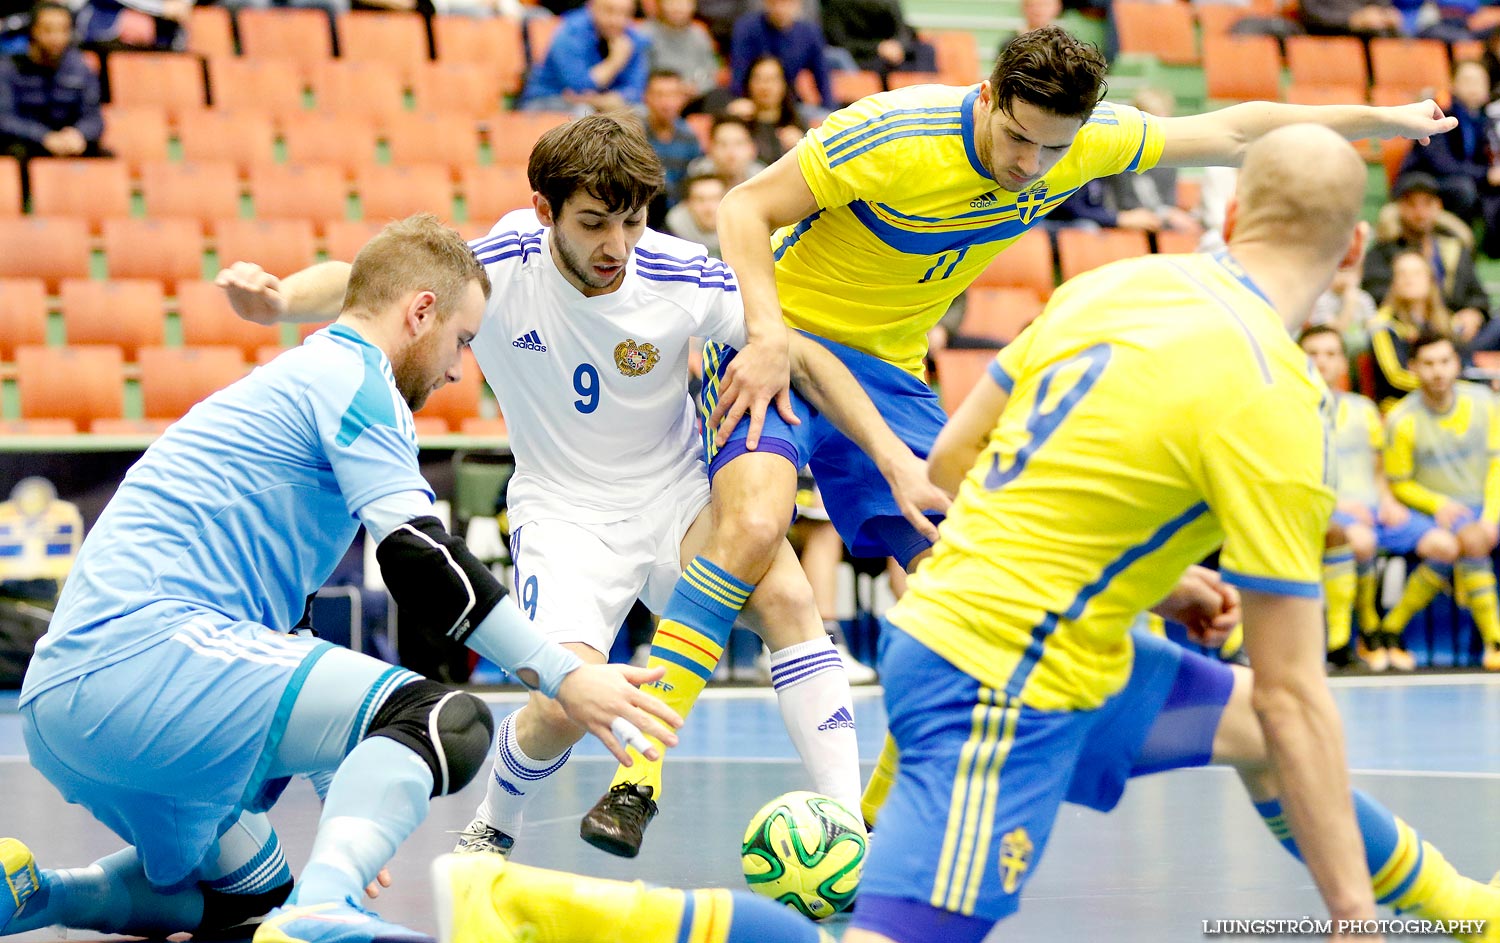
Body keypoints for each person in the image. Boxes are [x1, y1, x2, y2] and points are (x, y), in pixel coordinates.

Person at [425, 126, 1500, 943]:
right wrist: (1350, 916)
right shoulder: (1282, 399)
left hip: (1030, 637)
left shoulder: (1116, 287)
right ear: (1355, 245)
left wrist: (1153, 577)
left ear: (1228, 220)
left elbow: (953, 467)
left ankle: (1468, 910)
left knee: (1252, 739)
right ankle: (531, 903)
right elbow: (1300, 689)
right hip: (1005, 682)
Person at [683, 23, 1454, 828]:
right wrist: (768, 333)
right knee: (755, 530)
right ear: (988, 96)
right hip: (777, 332)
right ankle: (641, 773)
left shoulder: (1086, 143)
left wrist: (1384, 121)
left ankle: (876, 811)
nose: (1029, 166)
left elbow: (1236, 130)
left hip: (888, 368)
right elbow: (744, 205)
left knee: (952, 562)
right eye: (1017, 137)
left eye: (1053, 150)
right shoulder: (894, 133)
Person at [219, 114, 942, 862]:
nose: (616, 247)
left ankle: (846, 831)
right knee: (563, 706)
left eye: (631, 221)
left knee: (792, 601)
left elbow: (801, 355)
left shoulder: (678, 272)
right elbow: (372, 282)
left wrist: (892, 457)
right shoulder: (498, 265)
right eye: (594, 223)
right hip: (564, 515)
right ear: (545, 211)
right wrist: (279, 302)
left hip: (674, 496)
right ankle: (494, 823)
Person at [0, 215, 683, 943]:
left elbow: (285, 640)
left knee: (247, 900)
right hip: (145, 664)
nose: (458, 368)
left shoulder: (297, 379)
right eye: (461, 340)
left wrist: (343, 792)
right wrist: (563, 675)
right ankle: (324, 907)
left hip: (68, 702)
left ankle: (39, 895)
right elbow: (421, 556)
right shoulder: (357, 380)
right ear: (421, 311)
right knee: (436, 719)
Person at [1379, 329, 1500, 672]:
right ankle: (1495, 642)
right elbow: (1399, 484)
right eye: (1428, 363)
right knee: (1464, 543)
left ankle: (1390, 629)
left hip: (1487, 503)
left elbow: (1497, 466)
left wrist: (1490, 517)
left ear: (1457, 363)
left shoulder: (1484, 403)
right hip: (1439, 512)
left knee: (1477, 535)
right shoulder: (1402, 419)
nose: (1438, 371)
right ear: (1414, 367)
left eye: (1445, 361)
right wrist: (1438, 505)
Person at [1300, 324, 1412, 671]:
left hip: (1373, 508)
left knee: (1442, 543)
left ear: (1342, 362)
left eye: (1331, 354)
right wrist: (1340, 506)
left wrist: (1389, 500)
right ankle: (1358, 632)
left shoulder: (1364, 408)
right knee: (1361, 542)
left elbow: (1378, 470)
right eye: (1313, 354)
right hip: (1330, 512)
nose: (1322, 362)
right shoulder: (1291, 409)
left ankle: (1383, 629)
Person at [0, 1, 102, 167]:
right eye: (48, 30)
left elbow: (94, 118)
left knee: (103, 155)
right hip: (27, 144)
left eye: (63, 30)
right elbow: (4, 119)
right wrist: (44, 137)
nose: (57, 38)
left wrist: (79, 134)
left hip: (68, 143)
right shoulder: (7, 68)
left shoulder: (81, 69)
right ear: (33, 31)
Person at [519, 0, 650, 114]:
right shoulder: (570, 33)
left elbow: (636, 90)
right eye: (609, 11)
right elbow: (579, 87)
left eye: (625, 14)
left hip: (599, 104)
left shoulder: (632, 38)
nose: (617, 20)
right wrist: (614, 62)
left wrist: (603, 100)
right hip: (547, 100)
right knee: (585, 114)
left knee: (640, 112)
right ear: (592, 7)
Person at [1368, 249, 1455, 411]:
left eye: (1416, 273)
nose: (1409, 279)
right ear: (1393, 283)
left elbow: (1460, 363)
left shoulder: (1445, 321)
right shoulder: (1383, 324)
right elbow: (1396, 377)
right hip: (1400, 406)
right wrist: (1444, 384)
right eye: (1402, 274)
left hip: (1443, 403)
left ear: (1430, 280)